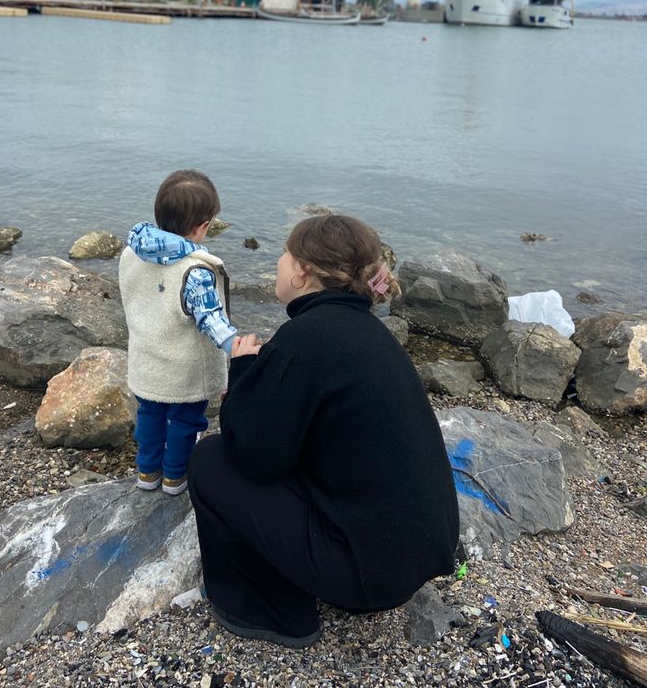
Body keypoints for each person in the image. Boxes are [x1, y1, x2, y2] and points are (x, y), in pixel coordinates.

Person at [188, 214, 460, 647]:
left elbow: (252, 457)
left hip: (366, 577)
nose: (278, 263)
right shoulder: (369, 331)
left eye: (284, 254)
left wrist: (243, 371)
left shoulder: (305, 340)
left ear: (302, 271)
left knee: (209, 459)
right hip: (411, 558)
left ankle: (273, 613)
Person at [119, 169, 236, 495]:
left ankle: (147, 472)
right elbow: (210, 319)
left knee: (149, 417)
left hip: (146, 360)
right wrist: (235, 345)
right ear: (202, 225)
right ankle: (174, 477)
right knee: (184, 422)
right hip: (182, 368)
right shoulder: (194, 271)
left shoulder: (132, 253)